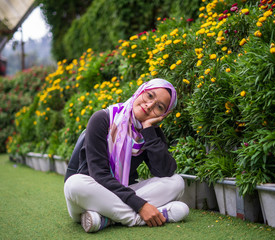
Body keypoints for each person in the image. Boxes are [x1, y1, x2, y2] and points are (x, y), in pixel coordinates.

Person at [64, 78, 189, 233]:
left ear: (164, 114)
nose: (149, 106)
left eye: (159, 107)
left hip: (121, 193)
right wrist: (141, 206)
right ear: (141, 91)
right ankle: (137, 218)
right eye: (150, 96)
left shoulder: (150, 133)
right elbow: (99, 175)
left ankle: (105, 219)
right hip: (90, 196)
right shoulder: (103, 119)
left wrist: (148, 129)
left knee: (177, 182)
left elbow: (165, 171)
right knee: (74, 184)